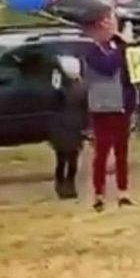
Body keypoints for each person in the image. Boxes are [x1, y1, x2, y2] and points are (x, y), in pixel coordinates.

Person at [80, 0, 137, 211]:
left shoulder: (117, 44)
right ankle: (99, 193)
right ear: (101, 23)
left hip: (122, 103)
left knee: (122, 151)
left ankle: (123, 192)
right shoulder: (92, 49)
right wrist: (124, 46)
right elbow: (108, 66)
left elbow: (134, 67)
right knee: (102, 151)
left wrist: (130, 46)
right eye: (110, 20)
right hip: (103, 105)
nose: (114, 24)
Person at [48, 55, 86, 200]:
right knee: (69, 159)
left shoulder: (64, 88)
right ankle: (67, 184)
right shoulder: (78, 87)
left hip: (65, 126)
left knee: (64, 159)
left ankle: (64, 184)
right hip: (70, 126)